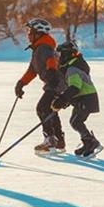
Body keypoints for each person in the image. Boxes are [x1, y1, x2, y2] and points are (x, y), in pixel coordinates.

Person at [14, 18, 65, 154]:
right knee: (50, 110)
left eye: (30, 31)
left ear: (39, 33)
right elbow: (32, 70)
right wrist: (21, 83)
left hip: (56, 83)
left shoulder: (43, 47)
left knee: (42, 108)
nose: (28, 35)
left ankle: (50, 140)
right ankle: (58, 141)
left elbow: (51, 60)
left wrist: (52, 72)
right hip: (55, 83)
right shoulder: (39, 48)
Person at [52, 41, 103, 158]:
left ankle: (91, 142)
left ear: (67, 55)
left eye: (60, 55)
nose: (58, 58)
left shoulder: (73, 69)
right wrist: (65, 100)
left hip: (86, 99)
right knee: (75, 121)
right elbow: (73, 89)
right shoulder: (72, 67)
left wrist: (63, 99)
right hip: (83, 98)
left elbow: (75, 87)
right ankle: (88, 142)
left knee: (76, 121)